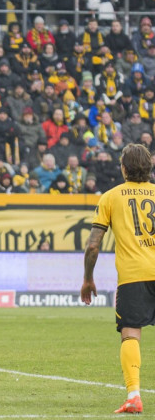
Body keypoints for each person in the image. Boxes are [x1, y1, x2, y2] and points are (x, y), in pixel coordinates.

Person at [82, 143, 154, 415]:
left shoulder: (111, 197)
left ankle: (134, 395)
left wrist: (88, 278)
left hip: (134, 276)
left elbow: (92, 245)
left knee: (131, 334)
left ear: (123, 168)